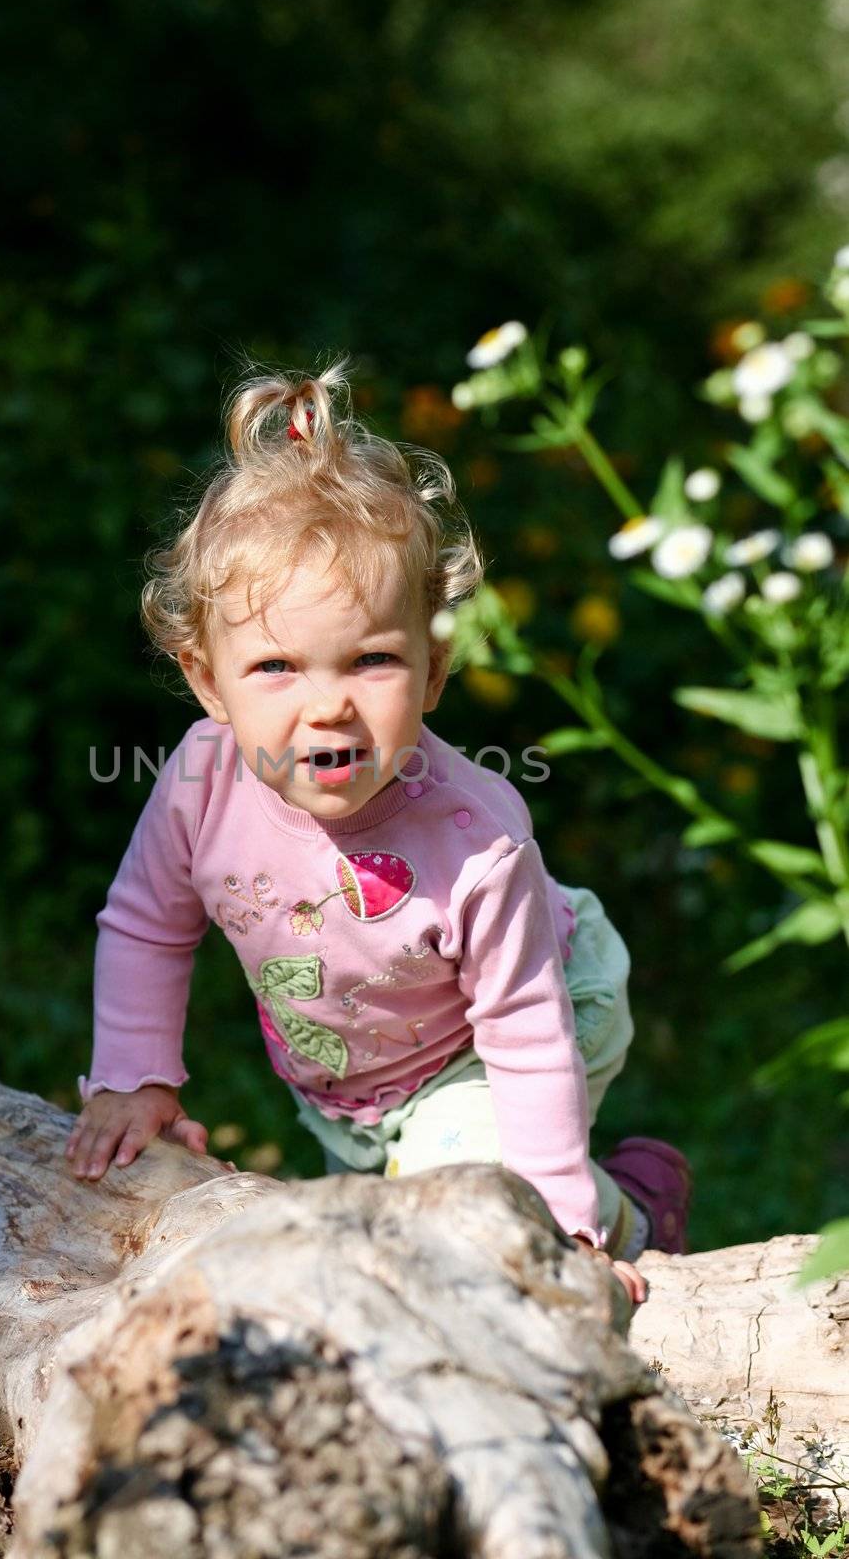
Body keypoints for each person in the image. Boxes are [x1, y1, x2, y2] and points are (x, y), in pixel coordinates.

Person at [65, 360, 692, 1307]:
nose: (327, 708)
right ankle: (599, 1187)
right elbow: (149, 924)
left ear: (434, 672)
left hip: (526, 1015)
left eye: (371, 661)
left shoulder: (475, 839)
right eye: (275, 665)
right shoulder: (200, 782)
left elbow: (524, 1031)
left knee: (458, 1217)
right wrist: (134, 1077)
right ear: (206, 680)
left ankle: (627, 1213)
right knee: (385, 1213)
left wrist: (557, 1222)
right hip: (352, 1079)